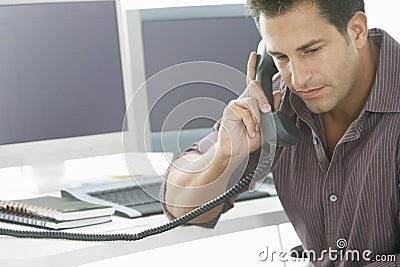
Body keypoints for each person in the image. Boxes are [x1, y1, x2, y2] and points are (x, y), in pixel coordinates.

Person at [160, 0, 400, 266]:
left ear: (356, 31)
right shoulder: (276, 100)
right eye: (281, 58)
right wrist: (225, 155)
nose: (297, 79)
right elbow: (179, 207)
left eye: (311, 50)